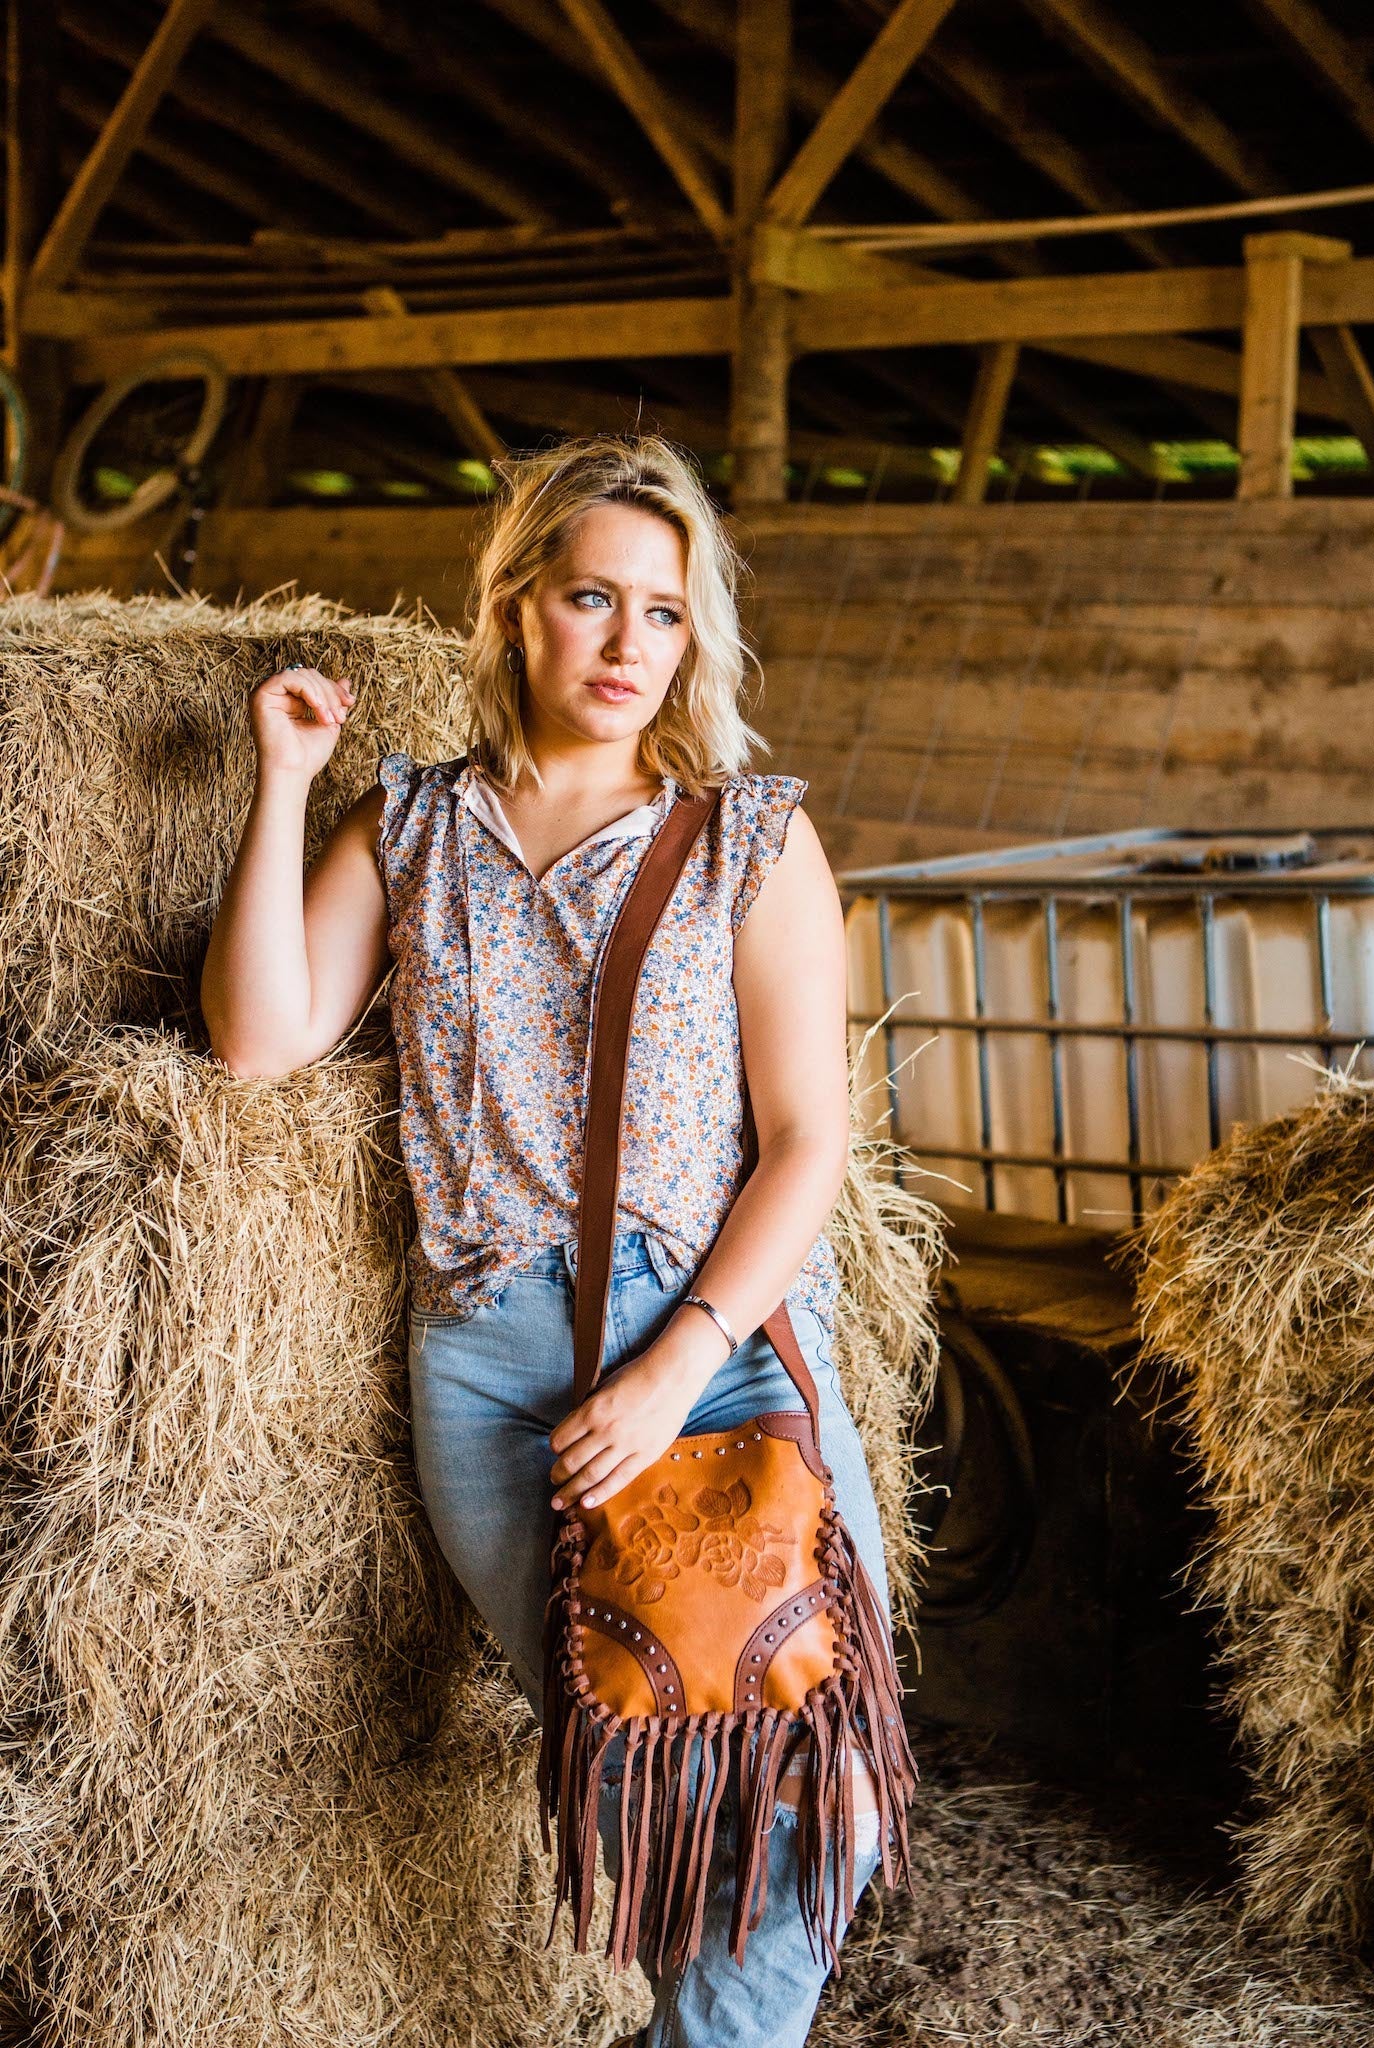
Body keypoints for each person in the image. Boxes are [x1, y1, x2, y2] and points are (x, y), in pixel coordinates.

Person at [201, 433, 898, 2048]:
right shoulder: (413, 829)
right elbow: (257, 1040)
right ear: (518, 606)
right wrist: (289, 782)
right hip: (500, 1375)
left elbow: (807, 1146)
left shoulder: (751, 841)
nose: (627, 647)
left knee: (818, 1804)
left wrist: (673, 1369)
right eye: (593, 599)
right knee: (652, 1770)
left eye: (662, 614)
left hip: (717, 1357)